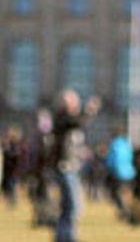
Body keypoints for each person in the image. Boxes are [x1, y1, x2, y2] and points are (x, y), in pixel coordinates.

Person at [51, 89, 101, 242]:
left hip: (72, 168)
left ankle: (63, 237)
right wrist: (90, 111)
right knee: (73, 206)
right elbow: (80, 122)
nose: (77, 105)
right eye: (74, 102)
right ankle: (67, 237)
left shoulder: (68, 122)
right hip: (65, 168)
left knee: (68, 207)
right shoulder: (63, 119)